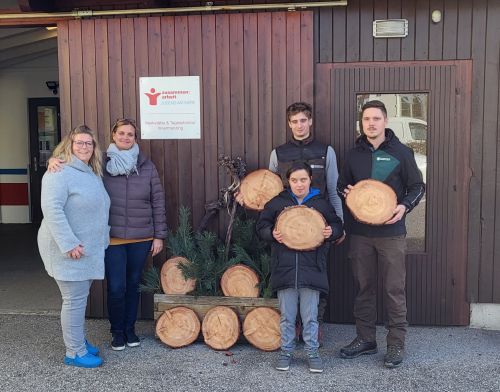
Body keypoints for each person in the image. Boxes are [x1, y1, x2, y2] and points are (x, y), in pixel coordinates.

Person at [48, 118, 167, 351]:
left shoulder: (146, 166)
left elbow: (158, 201)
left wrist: (159, 235)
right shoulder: (99, 163)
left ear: (135, 138)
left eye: (130, 134)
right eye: (121, 133)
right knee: (115, 287)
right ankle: (117, 332)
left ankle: (130, 329)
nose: (125, 137)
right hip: (111, 239)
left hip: (141, 237)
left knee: (133, 285)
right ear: (113, 135)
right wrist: (53, 160)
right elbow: (73, 167)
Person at [238, 102, 345, 338]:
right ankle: (292, 329)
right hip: (287, 231)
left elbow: (333, 188)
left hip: (317, 229)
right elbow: (269, 192)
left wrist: (339, 225)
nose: (299, 125)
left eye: (303, 120)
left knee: (316, 277)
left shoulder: (326, 151)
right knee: (288, 278)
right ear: (289, 124)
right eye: (294, 121)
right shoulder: (278, 153)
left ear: (310, 122)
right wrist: (246, 195)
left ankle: (313, 327)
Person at [337, 100, 425, 368]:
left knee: (393, 289)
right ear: (361, 123)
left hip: (392, 234)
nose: (371, 123)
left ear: (385, 121)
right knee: (364, 288)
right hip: (360, 234)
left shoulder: (402, 152)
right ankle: (366, 339)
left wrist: (404, 206)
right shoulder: (354, 154)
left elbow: (418, 187)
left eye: (376, 118)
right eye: (366, 119)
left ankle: (396, 344)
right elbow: (342, 185)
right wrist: (348, 193)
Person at [256, 162, 343, 373]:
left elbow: (337, 225)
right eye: (294, 180)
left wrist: (331, 231)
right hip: (285, 269)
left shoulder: (320, 203)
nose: (299, 184)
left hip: (312, 269)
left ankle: (312, 353)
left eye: (303, 180)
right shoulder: (278, 203)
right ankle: (286, 352)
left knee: (310, 316)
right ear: (288, 182)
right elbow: (261, 225)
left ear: (310, 179)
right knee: (287, 316)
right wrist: (271, 234)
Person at [38, 125, 110, 368]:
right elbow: (52, 210)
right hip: (68, 250)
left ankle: (77, 340)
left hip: (86, 249)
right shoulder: (58, 172)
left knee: (79, 298)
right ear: (69, 145)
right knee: (74, 300)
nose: (84, 147)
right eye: (79, 142)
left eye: (88, 143)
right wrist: (68, 244)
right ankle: (75, 352)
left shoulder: (90, 172)